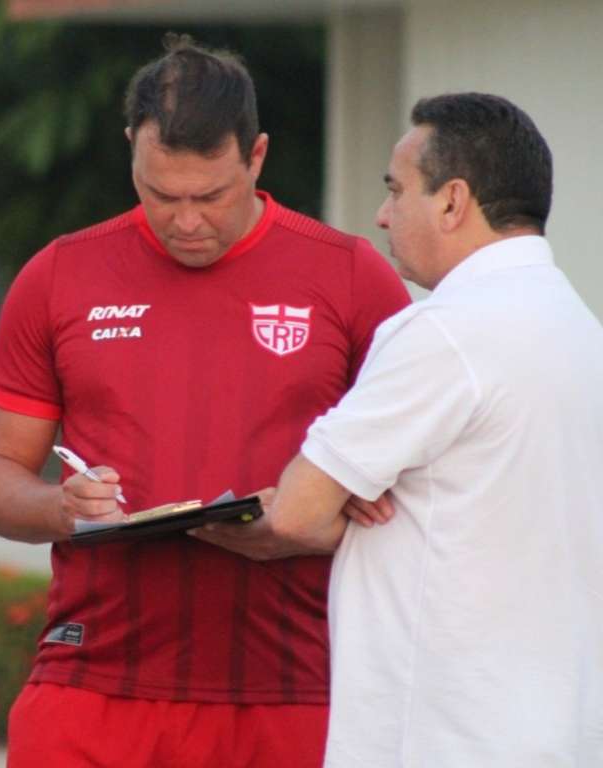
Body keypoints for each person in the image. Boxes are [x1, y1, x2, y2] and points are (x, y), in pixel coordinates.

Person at [0, 35, 410, 767]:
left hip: (296, 690)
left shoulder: (351, 277)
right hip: (92, 685)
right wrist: (63, 510)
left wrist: (309, 523)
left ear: (257, 158)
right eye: (160, 194)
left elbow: (415, 488)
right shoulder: (59, 275)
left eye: (211, 195)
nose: (186, 220)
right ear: (131, 157)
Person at [247, 92, 603, 765]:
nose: (382, 215)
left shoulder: (441, 331)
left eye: (396, 190)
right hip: (565, 733)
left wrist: (330, 496)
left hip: (444, 737)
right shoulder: (583, 333)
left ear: (452, 201)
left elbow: (295, 514)